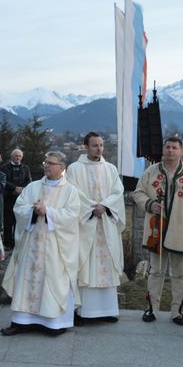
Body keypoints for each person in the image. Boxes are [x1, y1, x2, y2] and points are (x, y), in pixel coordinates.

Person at [0, 151, 81, 336]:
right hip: (32, 245)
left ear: (62, 168)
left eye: (52, 163)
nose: (47, 166)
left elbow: (72, 215)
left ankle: (53, 323)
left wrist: (49, 212)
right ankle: (20, 321)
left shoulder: (70, 190)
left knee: (53, 280)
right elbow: (18, 208)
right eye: (46, 162)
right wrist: (33, 211)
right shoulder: (33, 187)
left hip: (55, 247)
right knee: (26, 280)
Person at [132, 137, 183, 325]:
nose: (170, 151)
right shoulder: (151, 172)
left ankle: (176, 311)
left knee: (180, 274)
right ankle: (152, 309)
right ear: (163, 150)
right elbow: (137, 192)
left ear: (181, 151)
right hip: (157, 231)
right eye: (168, 147)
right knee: (155, 272)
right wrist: (149, 204)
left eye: (175, 148)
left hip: (182, 233)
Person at [66, 132, 125, 325]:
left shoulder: (110, 168)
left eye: (101, 145)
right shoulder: (74, 169)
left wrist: (105, 206)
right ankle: (83, 311)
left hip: (106, 224)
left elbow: (118, 191)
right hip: (87, 224)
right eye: (94, 145)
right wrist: (94, 208)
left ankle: (107, 310)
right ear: (85, 146)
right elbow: (74, 194)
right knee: (86, 265)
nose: (99, 148)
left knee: (106, 265)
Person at [1, 148, 32, 250]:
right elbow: (3, 180)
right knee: (8, 222)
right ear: (12, 156)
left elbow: (29, 181)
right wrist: (14, 188)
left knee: (19, 221)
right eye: (16, 156)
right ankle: (7, 243)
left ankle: (17, 243)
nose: (18, 157)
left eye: (19, 156)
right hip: (8, 197)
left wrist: (21, 189)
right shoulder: (4, 167)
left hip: (22, 199)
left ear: (21, 157)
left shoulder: (26, 168)